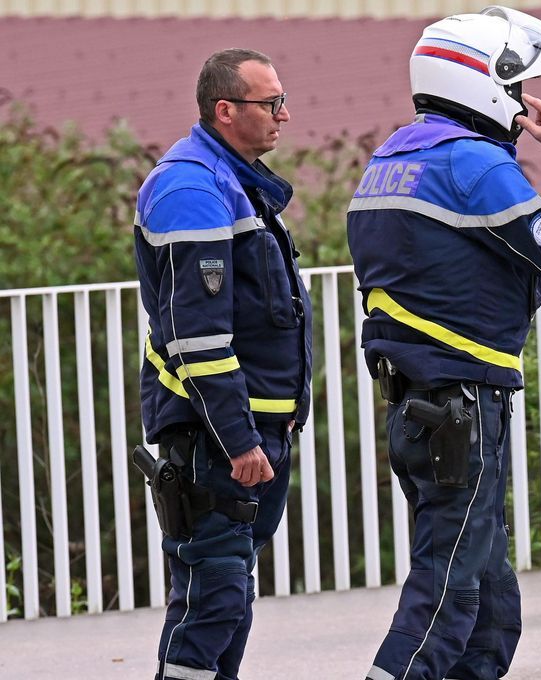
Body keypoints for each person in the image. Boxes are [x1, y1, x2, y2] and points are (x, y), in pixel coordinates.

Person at [346, 7, 541, 680]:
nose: (522, 107)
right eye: (516, 89)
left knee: (490, 608)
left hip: (421, 406)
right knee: (451, 597)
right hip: (460, 408)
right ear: (484, 82)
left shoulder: (394, 157)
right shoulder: (472, 163)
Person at [134, 48, 311, 680]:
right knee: (213, 601)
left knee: (227, 602)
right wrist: (237, 437)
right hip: (216, 439)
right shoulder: (191, 188)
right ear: (225, 109)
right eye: (271, 103)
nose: (284, 116)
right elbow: (198, 336)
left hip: (249, 433)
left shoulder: (234, 183)